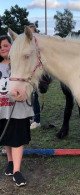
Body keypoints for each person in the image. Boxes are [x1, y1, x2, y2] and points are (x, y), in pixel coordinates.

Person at [0, 35, 34, 186]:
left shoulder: (20, 64)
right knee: (7, 137)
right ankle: (10, 161)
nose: (3, 49)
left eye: (6, 45)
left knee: (17, 138)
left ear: (12, 46)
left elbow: (31, 82)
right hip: (2, 109)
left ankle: (17, 171)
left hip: (18, 109)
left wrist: (24, 93)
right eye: (0, 47)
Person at [28, 23, 41, 129]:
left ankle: (37, 120)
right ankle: (31, 118)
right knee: (28, 99)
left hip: (35, 76)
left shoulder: (38, 45)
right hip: (26, 76)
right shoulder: (26, 45)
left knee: (35, 97)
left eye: (32, 32)